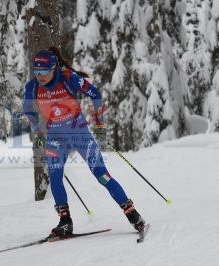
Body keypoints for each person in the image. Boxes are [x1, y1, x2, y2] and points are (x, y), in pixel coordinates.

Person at [23, 46, 145, 238]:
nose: (40, 76)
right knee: (55, 178)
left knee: (101, 174)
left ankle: (132, 213)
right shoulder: (33, 87)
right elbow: (28, 110)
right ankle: (65, 222)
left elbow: (95, 94)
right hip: (55, 138)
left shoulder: (68, 78)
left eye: (44, 71)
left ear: (53, 68)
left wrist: (100, 124)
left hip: (79, 134)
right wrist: (37, 131)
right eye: (36, 71)